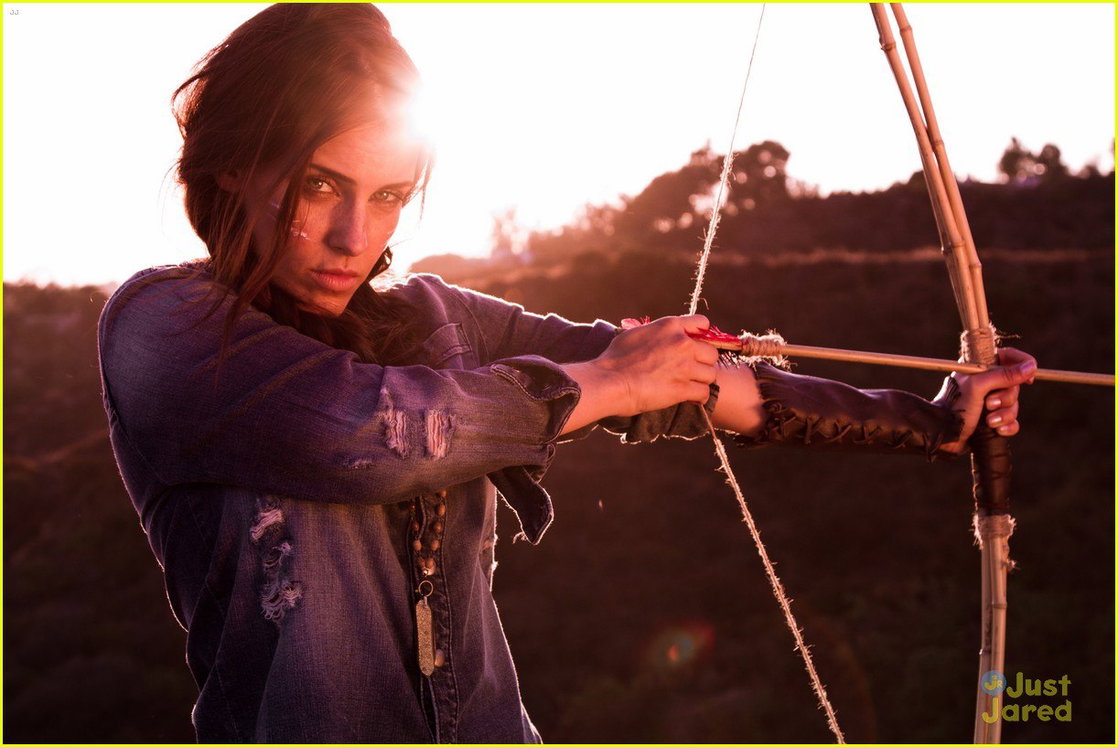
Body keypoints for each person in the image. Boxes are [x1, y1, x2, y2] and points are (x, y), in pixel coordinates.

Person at [97, 4, 1036, 742]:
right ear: (233, 167)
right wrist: (610, 384)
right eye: (319, 185)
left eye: (386, 196)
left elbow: (689, 379)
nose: (355, 235)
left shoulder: (437, 317)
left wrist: (934, 419)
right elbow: (366, 430)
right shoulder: (162, 329)